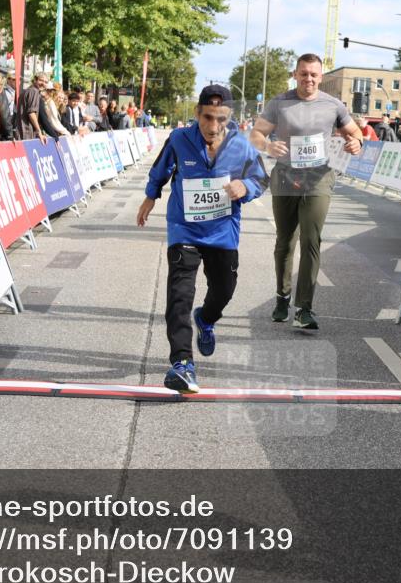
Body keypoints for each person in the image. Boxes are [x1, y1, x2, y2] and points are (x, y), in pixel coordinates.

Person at [136, 85, 268, 393]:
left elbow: (262, 178)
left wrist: (245, 187)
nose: (212, 126)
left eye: (220, 118)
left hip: (223, 232)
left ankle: (206, 320)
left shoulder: (241, 146)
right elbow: (161, 169)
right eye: (207, 117)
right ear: (197, 114)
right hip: (185, 229)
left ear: (229, 116)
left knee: (224, 290)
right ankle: (182, 364)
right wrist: (150, 196)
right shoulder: (180, 139)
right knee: (179, 294)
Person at [249, 53, 363, 330]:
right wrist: (267, 146)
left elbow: (356, 133)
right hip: (286, 177)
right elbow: (256, 135)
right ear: (295, 74)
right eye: (303, 73)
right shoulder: (280, 103)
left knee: (311, 240)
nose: (308, 79)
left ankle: (304, 308)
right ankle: (282, 297)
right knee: (285, 241)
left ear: (321, 77)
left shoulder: (333, 105)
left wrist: (356, 143)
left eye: (313, 74)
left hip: (319, 178)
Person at [19, 72, 49, 141]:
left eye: (46, 82)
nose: (43, 83)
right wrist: (39, 131)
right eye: (41, 80)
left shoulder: (27, 90)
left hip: (22, 132)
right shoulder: (34, 91)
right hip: (27, 133)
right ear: (35, 80)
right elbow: (31, 113)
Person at [0, 70, 16, 141]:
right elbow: (3, 113)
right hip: (4, 125)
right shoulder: (5, 92)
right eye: (14, 79)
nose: (17, 81)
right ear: (8, 80)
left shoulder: (14, 91)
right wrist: (9, 134)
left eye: (19, 79)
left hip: (12, 122)